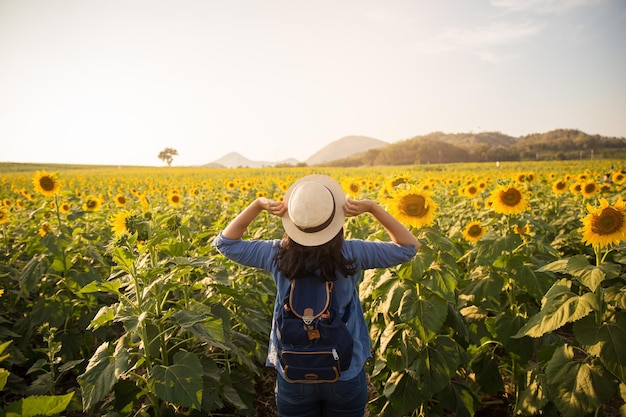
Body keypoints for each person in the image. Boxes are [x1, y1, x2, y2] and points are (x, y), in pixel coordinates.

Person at [213, 174, 419, 417]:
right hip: (345, 369)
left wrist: (258, 204)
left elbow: (225, 243)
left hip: (293, 368)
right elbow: (409, 247)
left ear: (292, 219)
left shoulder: (275, 254)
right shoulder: (352, 253)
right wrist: (373, 208)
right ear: (336, 218)